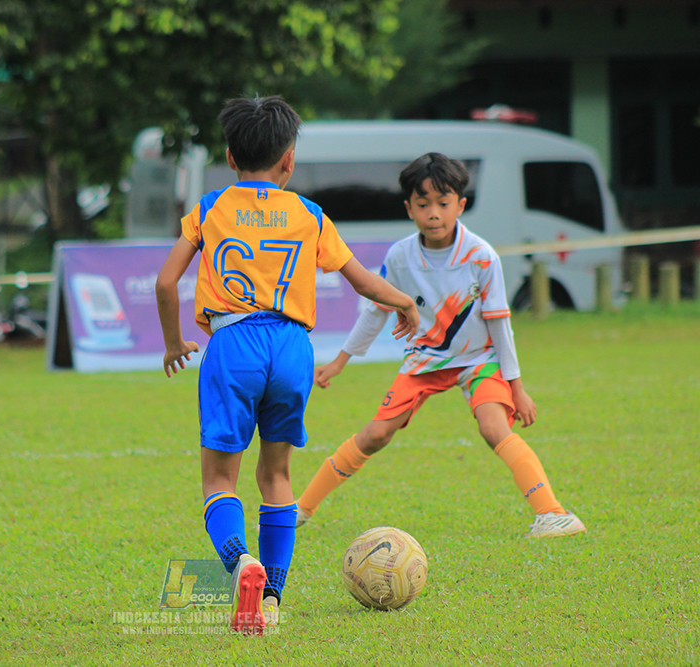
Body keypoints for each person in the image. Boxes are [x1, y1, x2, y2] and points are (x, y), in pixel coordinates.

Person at [155, 95, 419, 636]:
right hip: (294, 347)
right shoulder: (309, 215)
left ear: (229, 157)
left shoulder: (209, 209)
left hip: (233, 345)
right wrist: (406, 303)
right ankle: (271, 594)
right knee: (276, 474)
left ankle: (239, 562)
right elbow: (362, 280)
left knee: (218, 478)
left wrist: (172, 341)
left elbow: (165, 282)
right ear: (289, 161)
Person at [295, 152, 587, 539]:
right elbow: (376, 310)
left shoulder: (481, 256)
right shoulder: (400, 256)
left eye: (443, 203)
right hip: (425, 359)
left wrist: (517, 386)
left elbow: (501, 325)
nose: (434, 213)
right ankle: (299, 510)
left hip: (479, 359)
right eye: (423, 204)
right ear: (409, 209)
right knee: (375, 435)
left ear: (460, 205)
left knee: (493, 428)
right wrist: (340, 361)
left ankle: (553, 514)